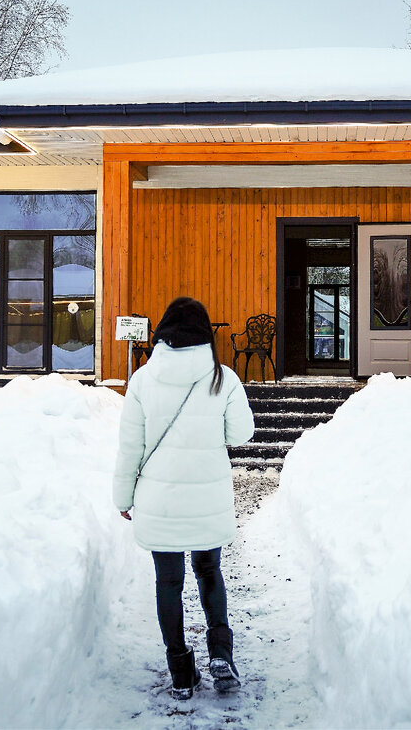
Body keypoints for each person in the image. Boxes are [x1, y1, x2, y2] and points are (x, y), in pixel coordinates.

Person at [113, 297, 256, 700]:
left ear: (162, 333)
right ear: (204, 334)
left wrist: (123, 495)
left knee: (168, 582)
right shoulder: (222, 377)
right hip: (206, 498)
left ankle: (180, 670)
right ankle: (221, 654)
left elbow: (130, 447)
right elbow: (239, 434)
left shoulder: (142, 379)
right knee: (209, 571)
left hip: (160, 500)